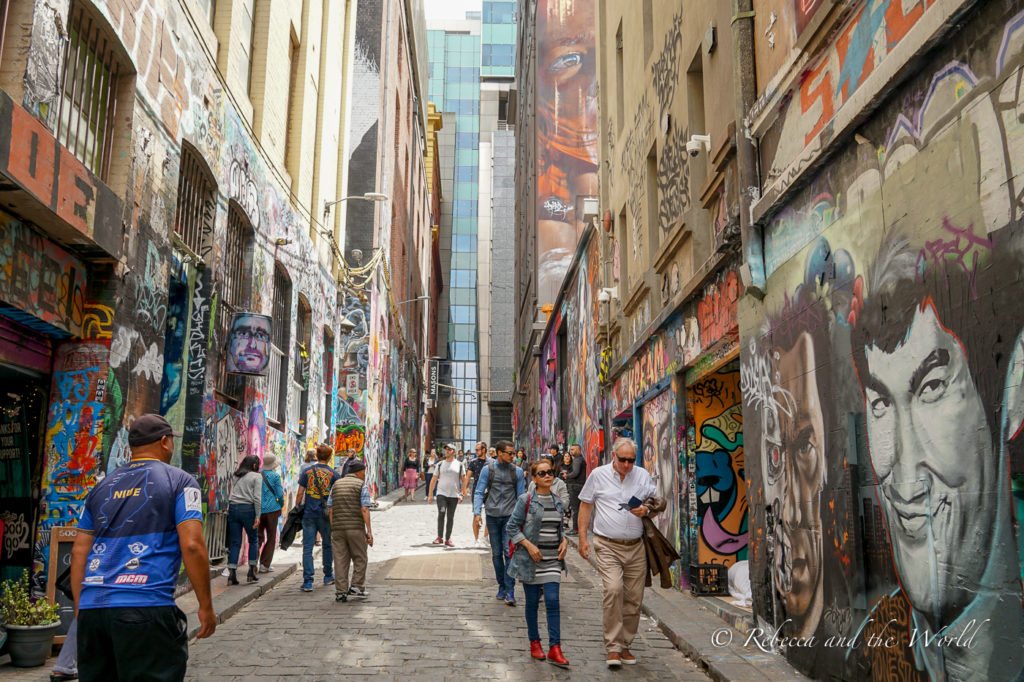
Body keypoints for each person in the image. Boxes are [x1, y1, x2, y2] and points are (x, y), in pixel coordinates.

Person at [70, 414, 215, 681]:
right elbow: (193, 545)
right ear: (165, 442)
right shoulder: (181, 482)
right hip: (145, 606)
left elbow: (79, 551)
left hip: (93, 611)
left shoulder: (101, 487)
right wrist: (205, 604)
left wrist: (83, 610)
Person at [577, 437, 659, 667]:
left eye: (631, 460)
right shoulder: (599, 475)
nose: (626, 465)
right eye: (622, 459)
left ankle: (625, 645)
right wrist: (583, 539)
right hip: (607, 545)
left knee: (634, 599)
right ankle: (612, 647)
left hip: (636, 546)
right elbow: (585, 505)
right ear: (613, 456)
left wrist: (646, 510)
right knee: (613, 590)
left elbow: (655, 501)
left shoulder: (642, 475)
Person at [507, 459, 570, 667]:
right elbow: (512, 527)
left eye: (550, 472)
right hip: (531, 560)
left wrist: (565, 541)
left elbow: (560, 529)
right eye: (542, 473)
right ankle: (535, 643)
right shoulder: (525, 500)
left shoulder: (558, 501)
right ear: (534, 478)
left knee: (552, 600)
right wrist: (528, 545)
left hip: (552, 559)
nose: (547, 476)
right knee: (533, 603)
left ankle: (555, 647)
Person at [474, 440, 526, 605]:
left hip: (510, 518)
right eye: (510, 453)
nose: (513, 456)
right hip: (492, 516)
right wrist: (477, 513)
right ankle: (501, 586)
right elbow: (479, 491)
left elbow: (521, 496)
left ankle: (510, 591)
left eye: (514, 453)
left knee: (508, 552)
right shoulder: (487, 470)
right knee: (496, 553)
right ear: (499, 452)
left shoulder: (517, 472)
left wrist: (522, 519)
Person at [328, 459, 373, 602]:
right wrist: (369, 531)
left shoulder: (336, 484)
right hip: (356, 529)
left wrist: (333, 526)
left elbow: (331, 508)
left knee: (340, 560)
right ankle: (357, 586)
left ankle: (341, 592)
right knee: (360, 557)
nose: (364, 475)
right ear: (359, 472)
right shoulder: (361, 485)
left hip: (338, 529)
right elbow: (364, 509)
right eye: (364, 472)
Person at [296, 444, 339, 592]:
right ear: (329, 457)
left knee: (307, 547)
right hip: (326, 515)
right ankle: (328, 575)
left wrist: (297, 508)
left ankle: (308, 580)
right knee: (327, 544)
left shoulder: (307, 472)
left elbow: (300, 493)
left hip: (309, 513)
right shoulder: (333, 474)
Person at [226, 454, 262, 584]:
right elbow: (257, 498)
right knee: (253, 540)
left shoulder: (237, 475)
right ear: (254, 465)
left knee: (235, 542)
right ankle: (251, 572)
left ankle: (232, 574)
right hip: (248, 509)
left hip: (233, 508)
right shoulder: (257, 476)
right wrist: (258, 516)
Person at [428, 444, 469, 547]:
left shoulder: (459, 465)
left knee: (450, 516)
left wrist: (461, 493)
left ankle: (448, 538)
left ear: (454, 452)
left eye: (449, 449)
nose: (447, 451)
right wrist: (430, 495)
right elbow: (434, 480)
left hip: (454, 495)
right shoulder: (440, 464)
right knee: (441, 512)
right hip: (441, 493)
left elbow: (464, 480)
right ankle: (439, 537)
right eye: (446, 449)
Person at [258, 452, 285, 573]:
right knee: (271, 537)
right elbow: (279, 494)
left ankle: (253, 563)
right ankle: (264, 565)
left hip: (258, 510)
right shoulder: (275, 477)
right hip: (272, 510)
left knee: (258, 538)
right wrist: (281, 504)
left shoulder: (258, 475)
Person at [467, 442, 491, 546]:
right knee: (476, 515)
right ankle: (476, 539)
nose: (475, 452)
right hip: (477, 492)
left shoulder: (492, 462)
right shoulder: (473, 462)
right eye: (475, 450)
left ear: (484, 450)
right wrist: (464, 488)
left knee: (490, 516)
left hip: (490, 492)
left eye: (477, 450)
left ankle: (485, 537)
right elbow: (468, 477)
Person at [563, 444, 587, 536]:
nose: (571, 451)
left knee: (575, 509)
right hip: (579, 486)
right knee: (578, 509)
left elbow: (575, 473)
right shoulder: (580, 459)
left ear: (578, 450)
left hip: (575, 486)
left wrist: (566, 476)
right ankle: (578, 529)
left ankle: (576, 529)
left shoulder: (577, 460)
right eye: (571, 449)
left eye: (573, 449)